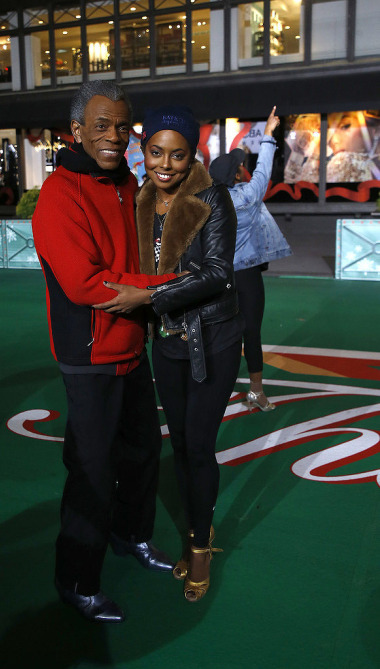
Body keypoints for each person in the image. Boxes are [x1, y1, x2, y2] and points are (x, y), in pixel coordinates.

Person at [32, 81, 178, 624]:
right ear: (76, 132)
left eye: (122, 126)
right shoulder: (59, 193)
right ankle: (76, 580)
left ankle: (131, 535)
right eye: (101, 125)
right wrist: (163, 288)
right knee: (92, 471)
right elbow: (83, 284)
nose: (115, 136)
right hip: (90, 357)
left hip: (132, 349)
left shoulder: (127, 184)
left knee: (141, 456)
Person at [93, 105, 243, 603]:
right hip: (167, 344)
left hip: (213, 339)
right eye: (156, 152)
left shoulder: (212, 197)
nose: (165, 164)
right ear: (144, 150)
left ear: (192, 155)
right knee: (178, 445)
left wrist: (147, 298)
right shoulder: (139, 200)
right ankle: (201, 521)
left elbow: (218, 272)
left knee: (199, 447)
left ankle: (199, 545)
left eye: (177, 155)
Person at [209, 106, 292, 411]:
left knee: (222, 333)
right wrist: (268, 134)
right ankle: (256, 392)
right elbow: (264, 169)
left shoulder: (208, 203)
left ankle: (215, 389)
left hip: (218, 277)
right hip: (246, 276)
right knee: (251, 333)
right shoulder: (248, 196)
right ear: (236, 174)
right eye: (238, 165)